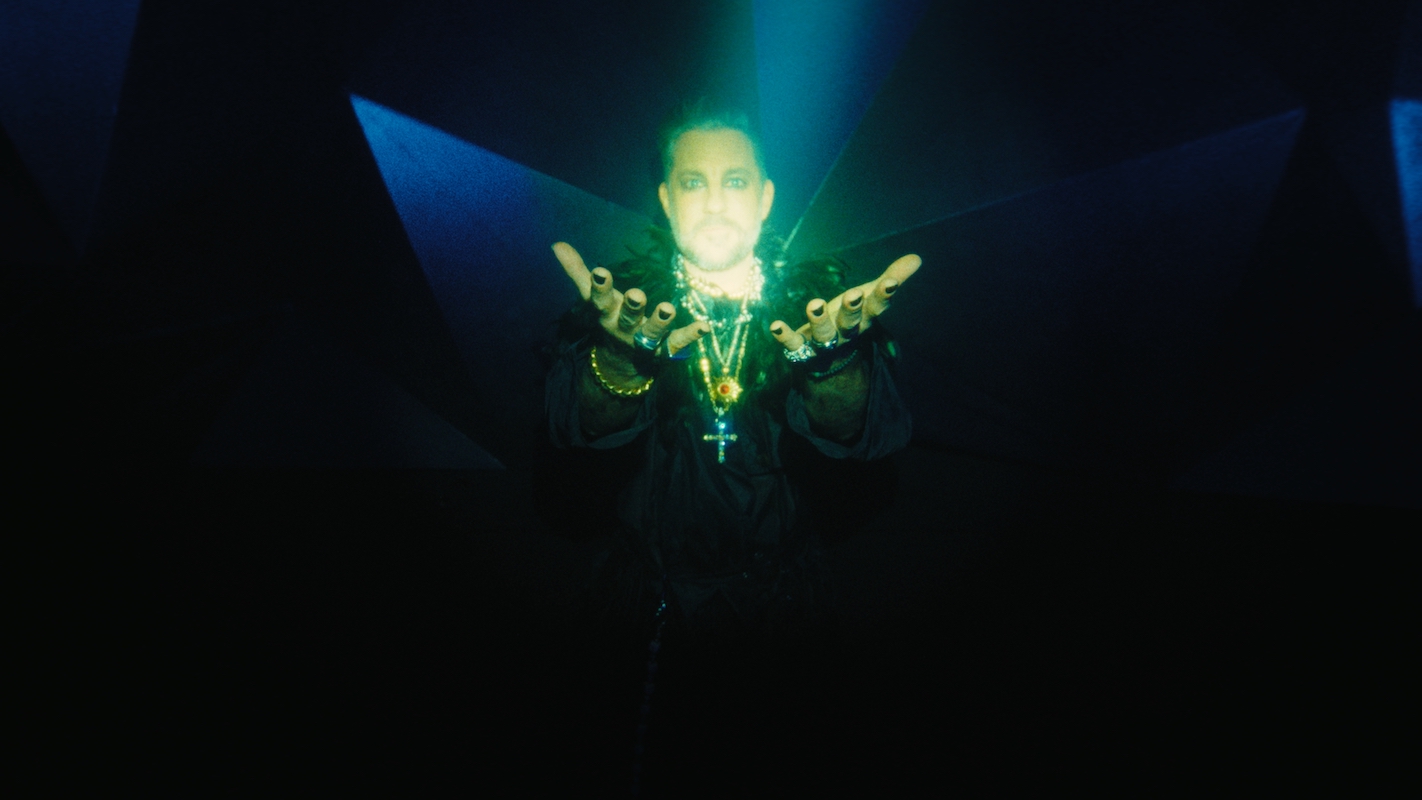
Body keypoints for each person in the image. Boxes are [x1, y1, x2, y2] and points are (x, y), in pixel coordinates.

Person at [543, 100, 919, 648]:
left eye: (735, 181)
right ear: (667, 200)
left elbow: (855, 437)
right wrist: (622, 358)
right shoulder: (619, 309)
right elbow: (582, 431)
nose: (715, 202)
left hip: (786, 610)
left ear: (764, 198)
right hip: (646, 610)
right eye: (694, 182)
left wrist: (832, 365)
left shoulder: (820, 309)